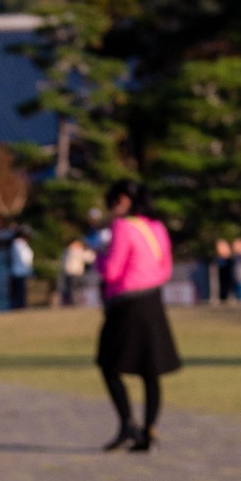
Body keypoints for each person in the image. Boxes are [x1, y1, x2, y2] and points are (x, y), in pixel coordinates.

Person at [92, 180, 180, 453]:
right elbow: (166, 269)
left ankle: (127, 423)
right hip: (153, 301)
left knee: (108, 363)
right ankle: (149, 429)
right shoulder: (157, 227)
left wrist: (98, 256)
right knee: (150, 370)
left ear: (122, 201)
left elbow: (112, 271)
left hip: (127, 304)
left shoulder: (123, 227)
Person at [7, 228, 33, 309]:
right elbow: (24, 258)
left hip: (20, 272)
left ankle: (20, 307)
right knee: (19, 293)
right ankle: (18, 308)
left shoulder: (20, 244)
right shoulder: (18, 244)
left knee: (21, 293)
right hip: (19, 272)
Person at [60, 238, 90, 306]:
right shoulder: (75, 251)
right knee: (75, 289)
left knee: (72, 289)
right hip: (75, 273)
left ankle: (72, 302)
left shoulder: (66, 251)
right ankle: (75, 303)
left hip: (68, 273)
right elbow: (89, 257)